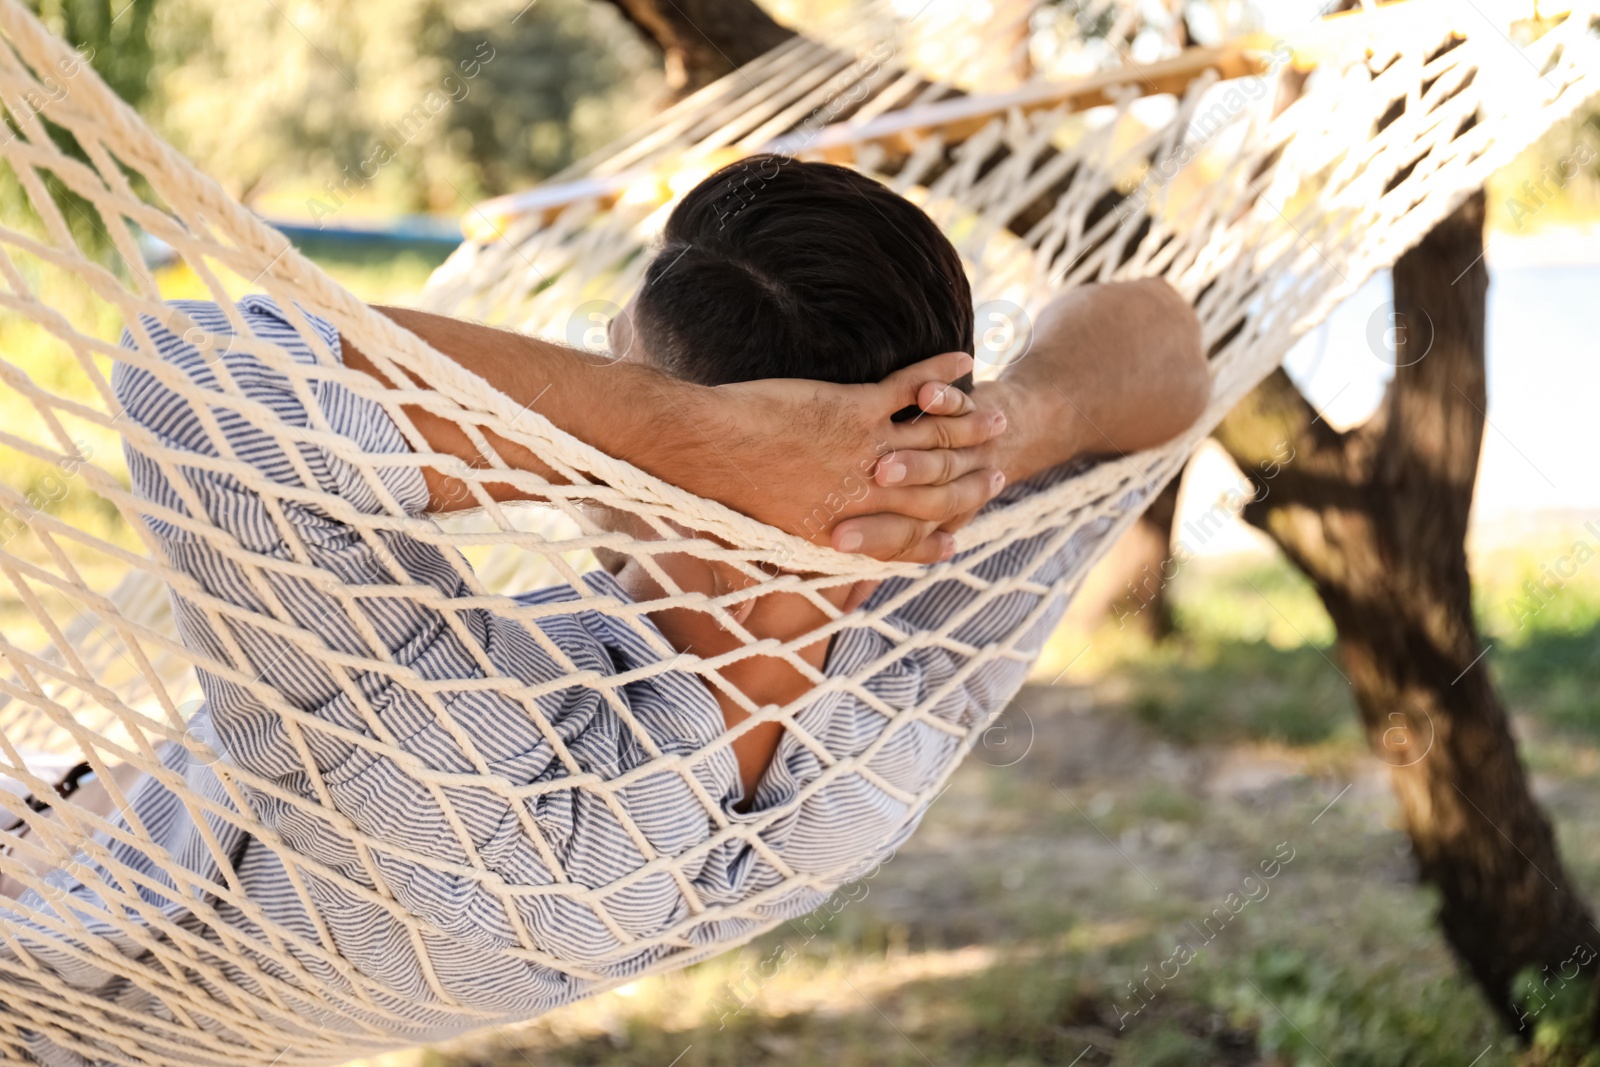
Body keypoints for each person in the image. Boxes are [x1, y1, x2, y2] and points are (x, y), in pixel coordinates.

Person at [0, 156, 1206, 1063]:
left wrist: (671, 440)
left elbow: (200, 373)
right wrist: (997, 433)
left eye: (622, 367)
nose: (598, 392)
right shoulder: (909, 666)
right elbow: (1167, 346)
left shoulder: (460, 787)